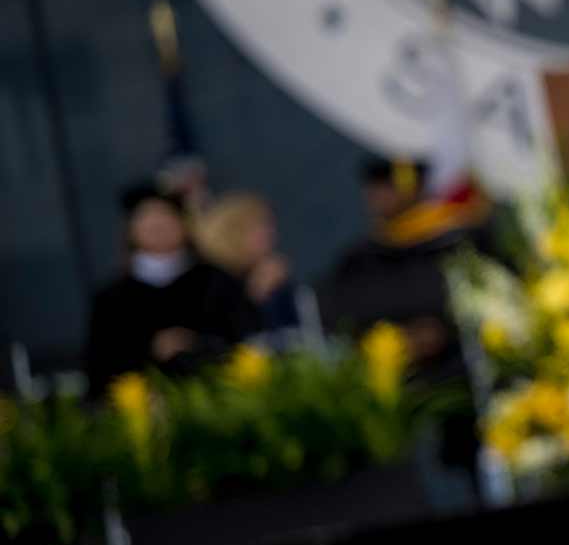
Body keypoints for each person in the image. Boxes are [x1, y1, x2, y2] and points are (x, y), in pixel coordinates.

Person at [321, 156, 488, 377]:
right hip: (396, 383)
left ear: (413, 187)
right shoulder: (360, 259)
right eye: (374, 187)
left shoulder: (459, 241)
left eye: (388, 186)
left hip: (461, 372)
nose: (377, 196)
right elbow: (337, 317)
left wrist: (444, 330)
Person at [85, 183, 260, 382]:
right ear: (130, 230)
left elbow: (245, 341)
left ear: (184, 225)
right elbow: (100, 369)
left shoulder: (215, 282)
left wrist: (196, 345)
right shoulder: (112, 300)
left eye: (165, 215)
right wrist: (150, 350)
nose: (157, 225)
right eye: (146, 217)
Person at [192, 191, 303, 333]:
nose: (270, 233)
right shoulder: (213, 280)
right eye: (260, 227)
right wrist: (257, 297)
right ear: (233, 234)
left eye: (269, 225)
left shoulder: (271, 272)